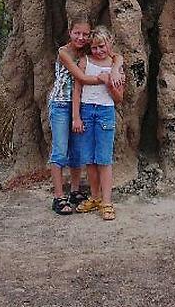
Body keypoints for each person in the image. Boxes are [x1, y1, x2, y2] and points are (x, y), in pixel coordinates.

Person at [49, 16, 120, 216]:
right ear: (69, 32)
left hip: (82, 108)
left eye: (85, 34)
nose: (81, 37)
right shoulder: (65, 52)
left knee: (78, 151)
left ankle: (75, 191)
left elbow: (116, 56)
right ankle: (58, 196)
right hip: (62, 104)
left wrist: (115, 69)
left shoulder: (88, 52)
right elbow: (80, 78)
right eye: (76, 33)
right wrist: (104, 78)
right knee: (61, 150)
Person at [71, 26, 125, 221]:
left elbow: (119, 98)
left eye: (101, 46)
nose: (98, 51)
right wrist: (76, 117)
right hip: (86, 111)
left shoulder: (115, 67)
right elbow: (77, 90)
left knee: (104, 159)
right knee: (89, 159)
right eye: (94, 48)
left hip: (105, 112)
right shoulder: (84, 62)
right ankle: (94, 197)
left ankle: (107, 201)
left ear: (109, 44)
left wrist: (109, 82)